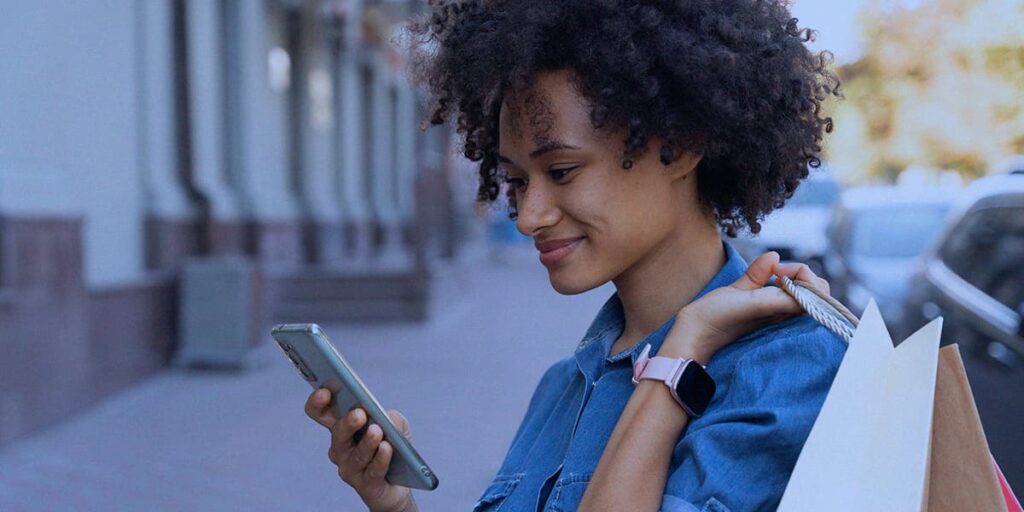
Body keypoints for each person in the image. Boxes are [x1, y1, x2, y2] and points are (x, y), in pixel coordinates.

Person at [304, 0, 844, 510]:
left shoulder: (790, 365)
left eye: (561, 171)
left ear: (679, 146)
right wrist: (394, 505)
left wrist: (680, 357)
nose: (528, 215)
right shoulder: (563, 385)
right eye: (516, 181)